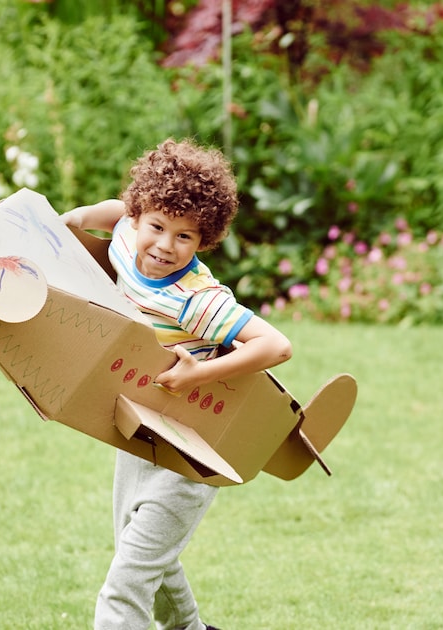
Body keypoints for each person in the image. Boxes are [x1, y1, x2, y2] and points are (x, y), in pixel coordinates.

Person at [61, 138, 293, 630]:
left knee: (126, 582)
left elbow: (275, 345)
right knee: (139, 547)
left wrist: (197, 373)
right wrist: (76, 219)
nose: (165, 246)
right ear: (141, 215)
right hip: (139, 429)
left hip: (194, 447)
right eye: (158, 227)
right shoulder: (128, 237)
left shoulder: (197, 299)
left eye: (185, 236)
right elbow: (116, 215)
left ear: (205, 240)